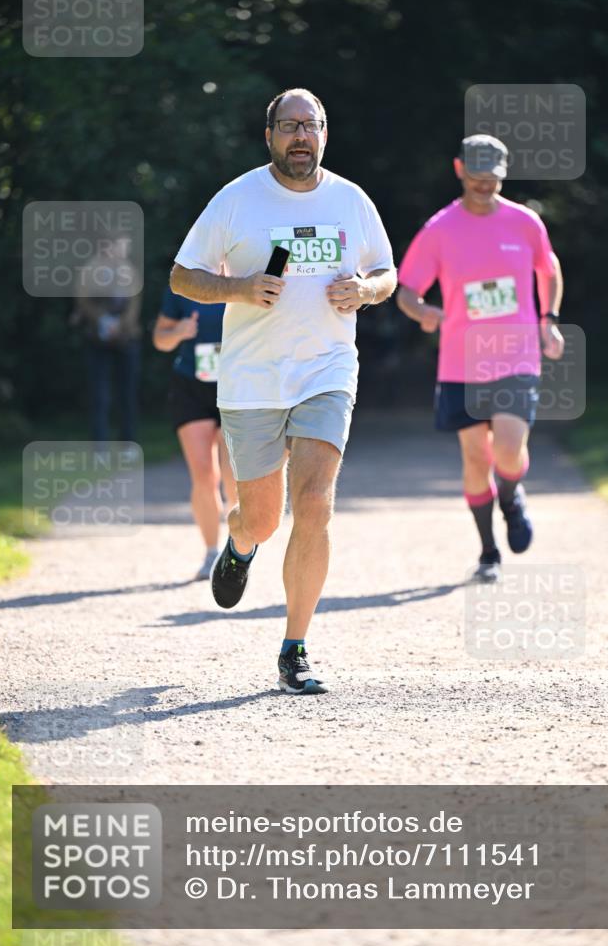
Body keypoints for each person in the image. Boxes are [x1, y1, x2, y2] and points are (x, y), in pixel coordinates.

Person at [170, 87, 396, 694]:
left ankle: (295, 646)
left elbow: (386, 271)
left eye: (311, 125)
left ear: (326, 133)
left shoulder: (351, 200)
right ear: (268, 133)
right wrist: (240, 289)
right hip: (251, 378)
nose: (301, 136)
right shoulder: (237, 199)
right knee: (265, 517)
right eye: (289, 125)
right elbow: (182, 275)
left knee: (317, 503)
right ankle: (240, 544)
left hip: (326, 369)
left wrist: (366, 291)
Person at [397, 134, 565, 582]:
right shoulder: (440, 229)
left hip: (516, 355)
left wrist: (548, 318)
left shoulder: (524, 222)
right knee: (476, 459)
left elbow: (548, 268)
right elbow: (406, 288)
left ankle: (511, 496)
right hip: (461, 363)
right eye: (476, 177)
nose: (484, 185)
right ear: (459, 170)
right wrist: (423, 311)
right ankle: (489, 551)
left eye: (492, 178)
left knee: (508, 451)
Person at [152, 289, 238, 580]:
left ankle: (238, 547)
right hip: (191, 385)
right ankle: (211, 552)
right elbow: (160, 339)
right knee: (203, 475)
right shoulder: (185, 281)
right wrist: (179, 330)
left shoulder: (247, 272)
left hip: (237, 384)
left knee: (233, 477)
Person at [73, 292, 142, 447]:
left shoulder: (129, 270)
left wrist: (122, 325)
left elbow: (135, 301)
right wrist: (103, 320)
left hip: (127, 338)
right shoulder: (91, 270)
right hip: (96, 339)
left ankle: (127, 443)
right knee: (99, 396)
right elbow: (83, 299)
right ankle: (99, 445)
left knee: (127, 395)